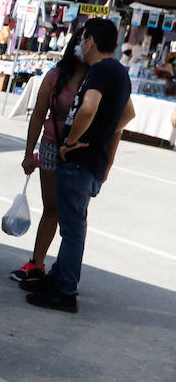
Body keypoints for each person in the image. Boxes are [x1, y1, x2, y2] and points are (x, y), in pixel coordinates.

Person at [22, 18, 136, 313]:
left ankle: (65, 290)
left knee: (72, 230)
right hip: (90, 159)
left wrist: (72, 141)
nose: (80, 44)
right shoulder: (119, 72)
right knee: (72, 225)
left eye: (84, 38)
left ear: (91, 42)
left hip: (78, 161)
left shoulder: (100, 70)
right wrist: (103, 132)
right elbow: (127, 115)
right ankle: (58, 277)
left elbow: (88, 107)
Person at [11, 30, 87, 282]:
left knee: (74, 216)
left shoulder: (98, 79)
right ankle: (37, 263)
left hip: (81, 155)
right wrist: (28, 154)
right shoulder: (55, 76)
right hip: (52, 147)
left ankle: (65, 271)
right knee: (51, 208)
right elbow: (38, 114)